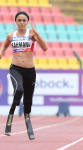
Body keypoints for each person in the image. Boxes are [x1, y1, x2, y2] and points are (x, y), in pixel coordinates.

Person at [0, 11, 48, 140]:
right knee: (19, 89)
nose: (21, 22)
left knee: (28, 100)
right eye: (19, 20)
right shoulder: (11, 35)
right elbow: (4, 45)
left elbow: (45, 48)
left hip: (30, 71)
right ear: (15, 21)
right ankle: (11, 114)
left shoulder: (31, 34)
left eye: (24, 20)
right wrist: (1, 53)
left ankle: (27, 118)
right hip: (15, 69)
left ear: (27, 22)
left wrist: (37, 34)